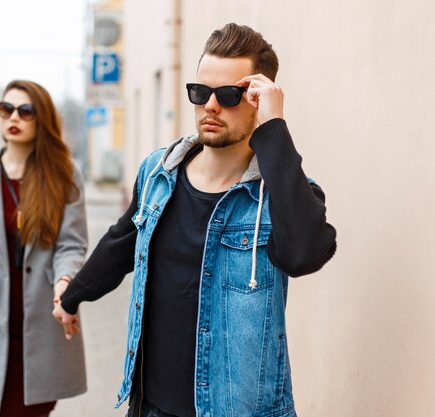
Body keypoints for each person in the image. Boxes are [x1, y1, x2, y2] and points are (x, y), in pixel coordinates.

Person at [53, 23, 337, 417]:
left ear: (258, 97)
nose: (211, 106)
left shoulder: (281, 192)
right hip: (151, 405)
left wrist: (274, 128)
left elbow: (304, 254)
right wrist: (72, 296)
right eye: (200, 93)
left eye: (228, 95)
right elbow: (123, 240)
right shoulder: (159, 171)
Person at [0, 80, 88, 416]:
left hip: (44, 319)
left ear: (40, 118)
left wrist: (65, 287)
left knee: (34, 409)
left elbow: (71, 244)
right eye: (6, 109)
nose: (14, 117)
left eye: (25, 111)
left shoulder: (63, 176)